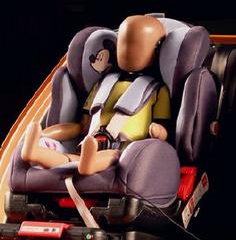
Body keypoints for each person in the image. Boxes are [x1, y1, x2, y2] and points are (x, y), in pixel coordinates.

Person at [19, 15, 171, 176]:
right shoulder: (103, 84)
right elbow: (82, 126)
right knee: (68, 159)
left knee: (112, 155)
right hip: (90, 142)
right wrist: (45, 134)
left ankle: (89, 164)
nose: (129, 50)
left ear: (157, 49)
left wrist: (157, 132)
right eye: (124, 43)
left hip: (124, 150)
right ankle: (35, 152)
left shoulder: (157, 90)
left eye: (137, 44)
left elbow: (163, 129)